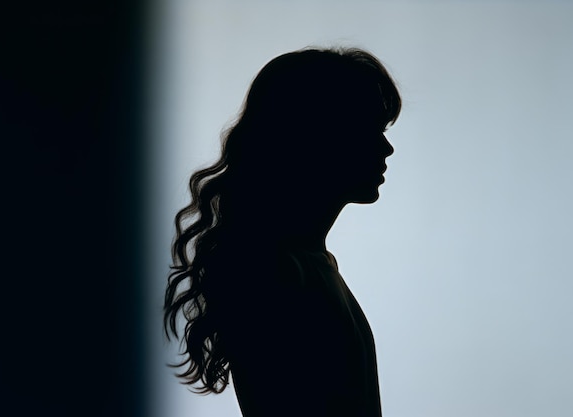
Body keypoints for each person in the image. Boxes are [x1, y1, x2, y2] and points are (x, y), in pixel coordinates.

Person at [164, 46, 401, 417]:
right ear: (318, 136)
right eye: (368, 128)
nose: (387, 148)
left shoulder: (303, 264)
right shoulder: (279, 272)